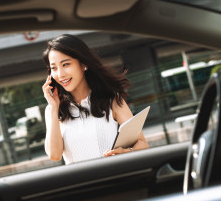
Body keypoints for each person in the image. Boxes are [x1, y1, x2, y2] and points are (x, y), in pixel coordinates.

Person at [42, 34, 149, 164]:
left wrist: (127, 153)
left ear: (83, 64)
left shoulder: (111, 100)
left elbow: (142, 143)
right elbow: (54, 155)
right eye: (54, 68)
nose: (60, 74)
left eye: (66, 64)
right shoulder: (53, 110)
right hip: (82, 183)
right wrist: (54, 108)